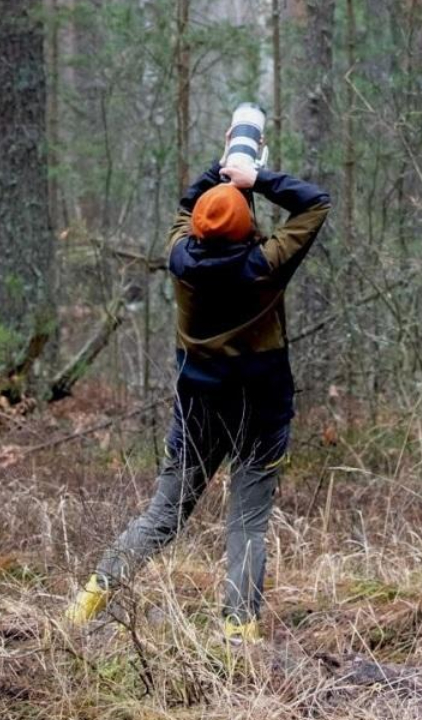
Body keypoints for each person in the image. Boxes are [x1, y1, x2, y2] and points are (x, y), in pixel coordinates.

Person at [65, 145, 331, 643]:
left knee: (164, 514)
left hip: (199, 409)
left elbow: (189, 207)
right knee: (247, 522)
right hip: (262, 409)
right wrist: (256, 176)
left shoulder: (179, 257)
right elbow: (315, 203)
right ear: (247, 227)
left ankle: (89, 601)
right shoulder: (267, 263)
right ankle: (239, 632)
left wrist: (220, 167)